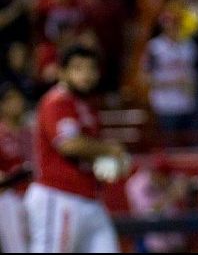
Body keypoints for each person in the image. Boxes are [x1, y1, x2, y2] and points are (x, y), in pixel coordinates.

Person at [24, 46, 128, 253]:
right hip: (58, 194)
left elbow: (89, 151)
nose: (86, 75)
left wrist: (108, 162)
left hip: (89, 197)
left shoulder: (86, 104)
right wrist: (109, 150)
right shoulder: (57, 101)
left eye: (91, 68)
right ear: (62, 72)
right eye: (78, 68)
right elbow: (68, 144)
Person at [125, 154, 189, 253]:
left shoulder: (172, 178)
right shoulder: (137, 185)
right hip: (148, 237)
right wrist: (171, 196)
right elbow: (147, 214)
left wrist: (185, 187)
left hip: (175, 238)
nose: (166, 179)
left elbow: (182, 180)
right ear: (153, 173)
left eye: (167, 175)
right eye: (162, 176)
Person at [0, 82, 31, 253]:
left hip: (32, 194)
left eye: (19, 99)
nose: (17, 103)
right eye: (11, 100)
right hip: (8, 196)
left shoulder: (30, 133)